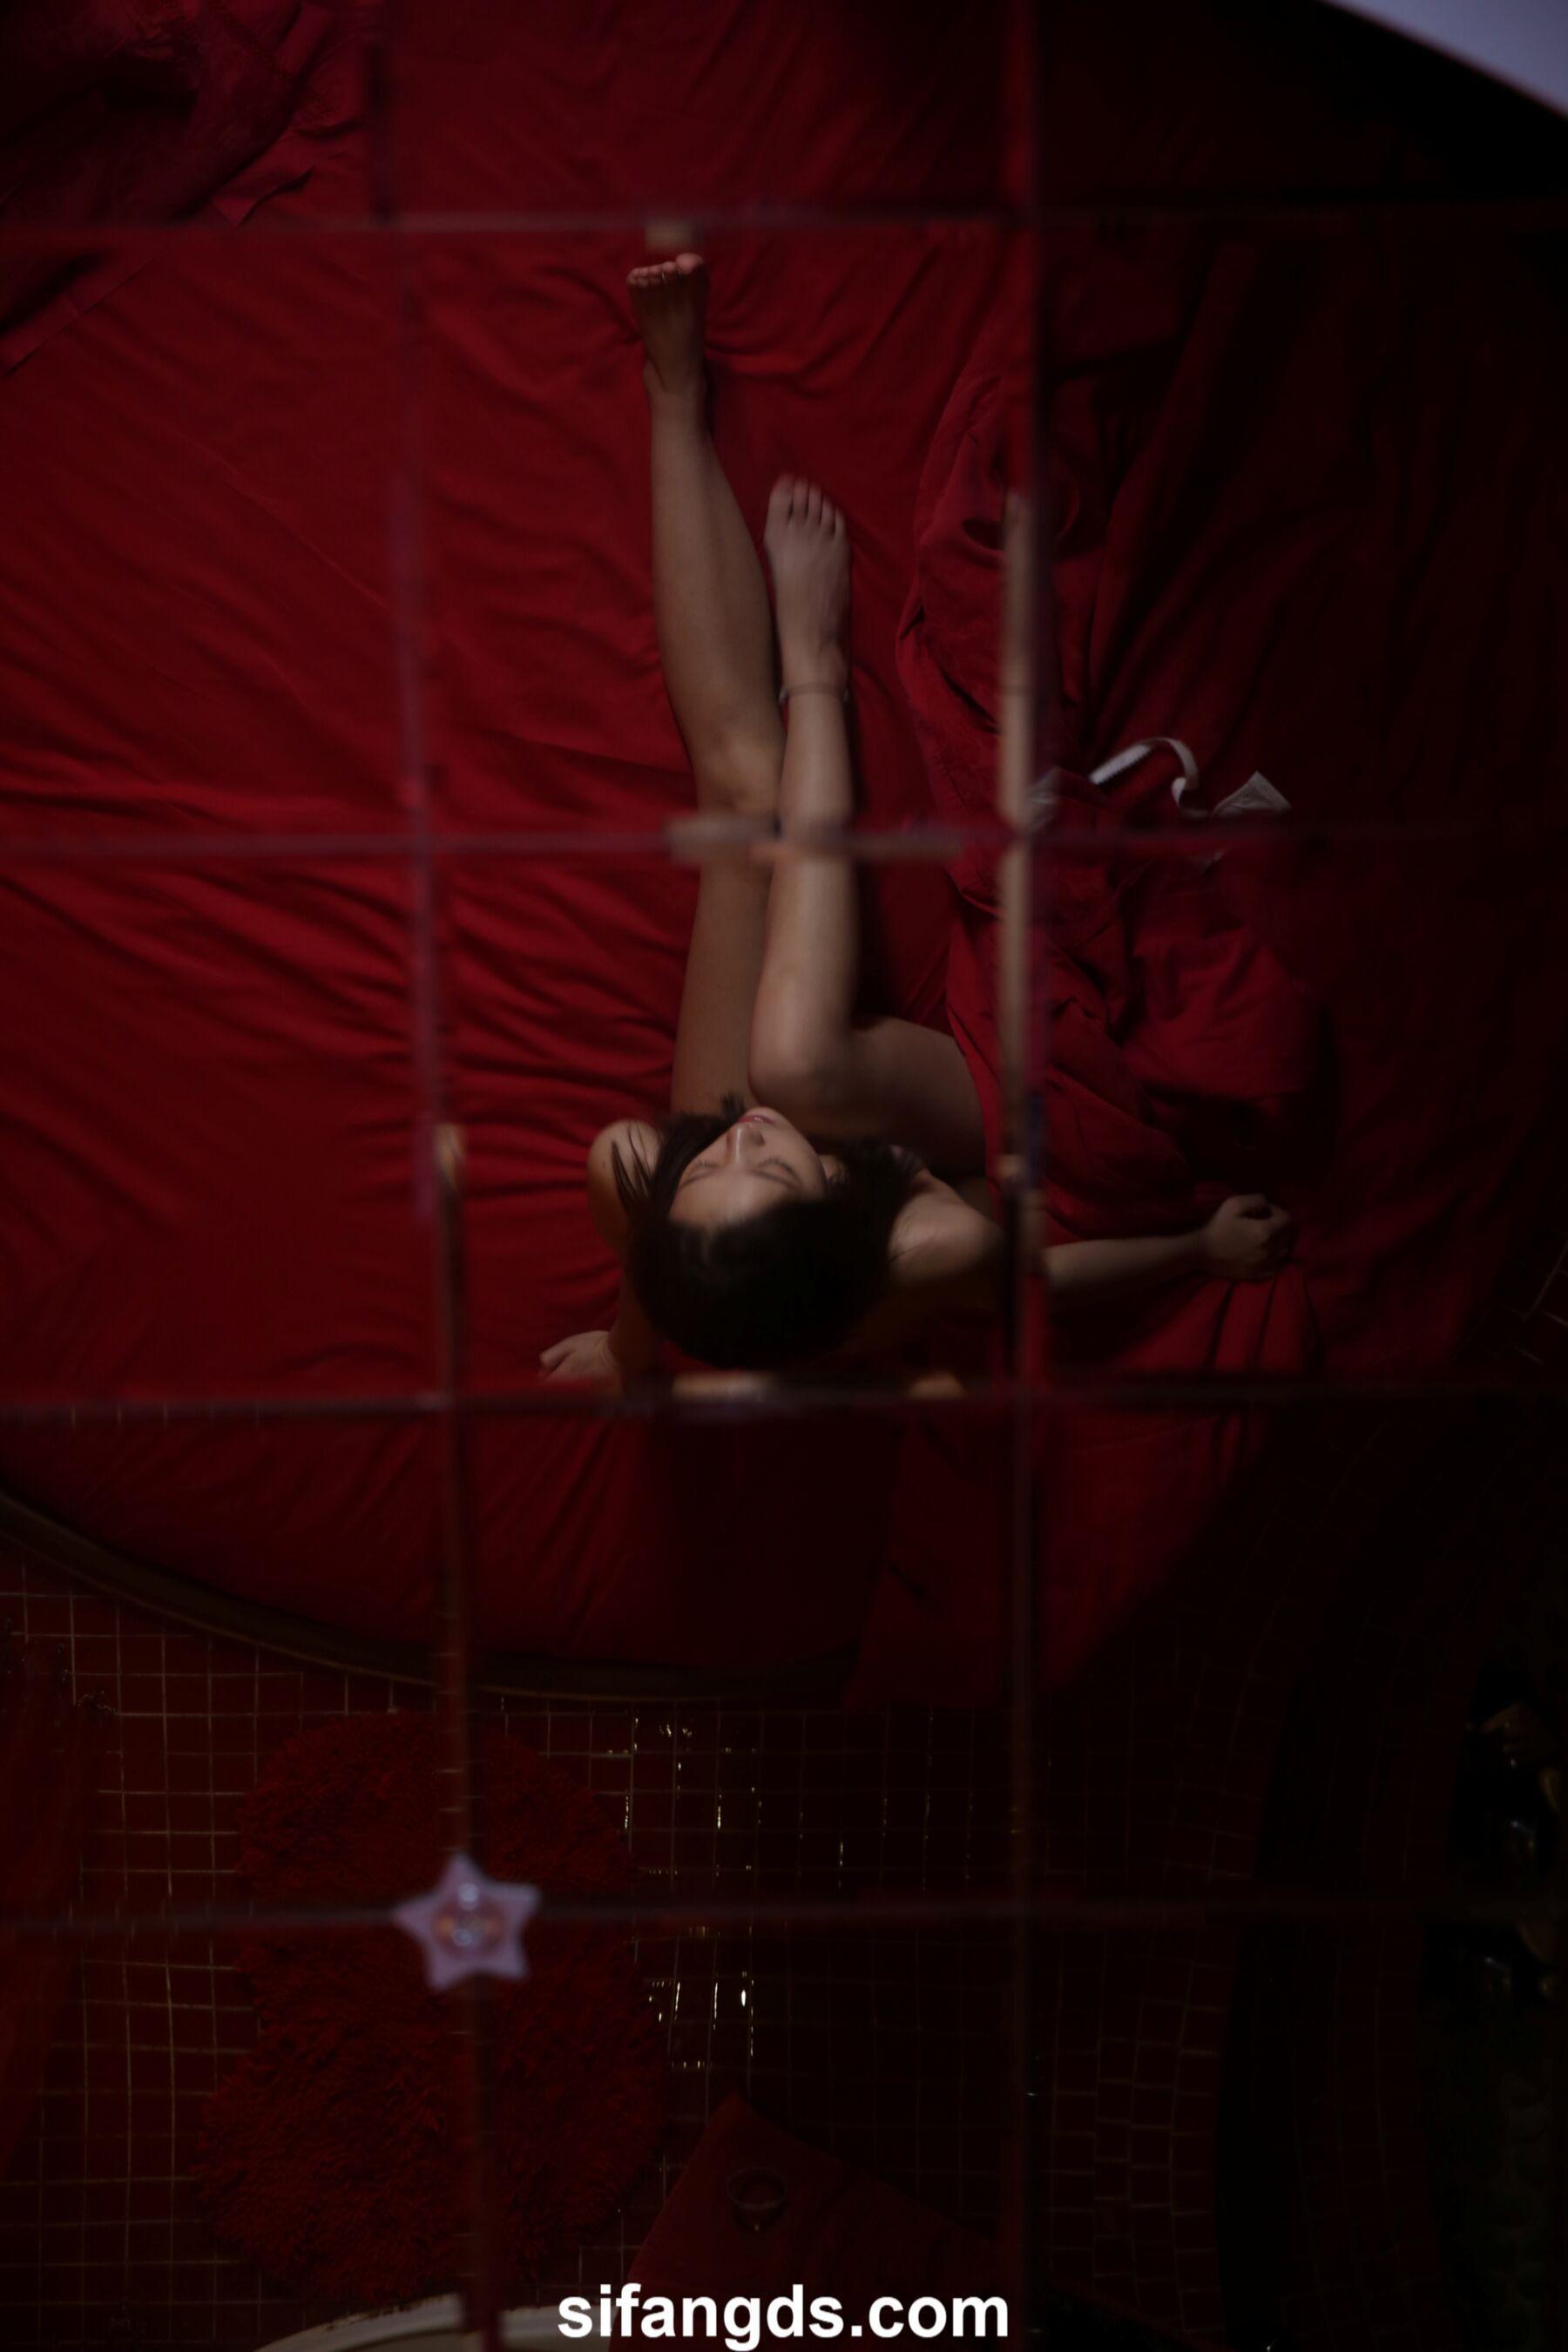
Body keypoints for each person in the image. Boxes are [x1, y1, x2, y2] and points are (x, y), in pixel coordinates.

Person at [540, 254, 1292, 1389]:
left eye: (710, 1168)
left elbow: (666, 1246)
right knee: (794, 1062)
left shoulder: (656, 1167)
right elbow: (1039, 1278)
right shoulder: (924, 1246)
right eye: (769, 1170)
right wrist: (1198, 1249)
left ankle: (673, 393)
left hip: (765, 1232)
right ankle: (812, 672)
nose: (743, 1138)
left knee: (743, 801)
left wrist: (623, 1346)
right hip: (944, 1138)